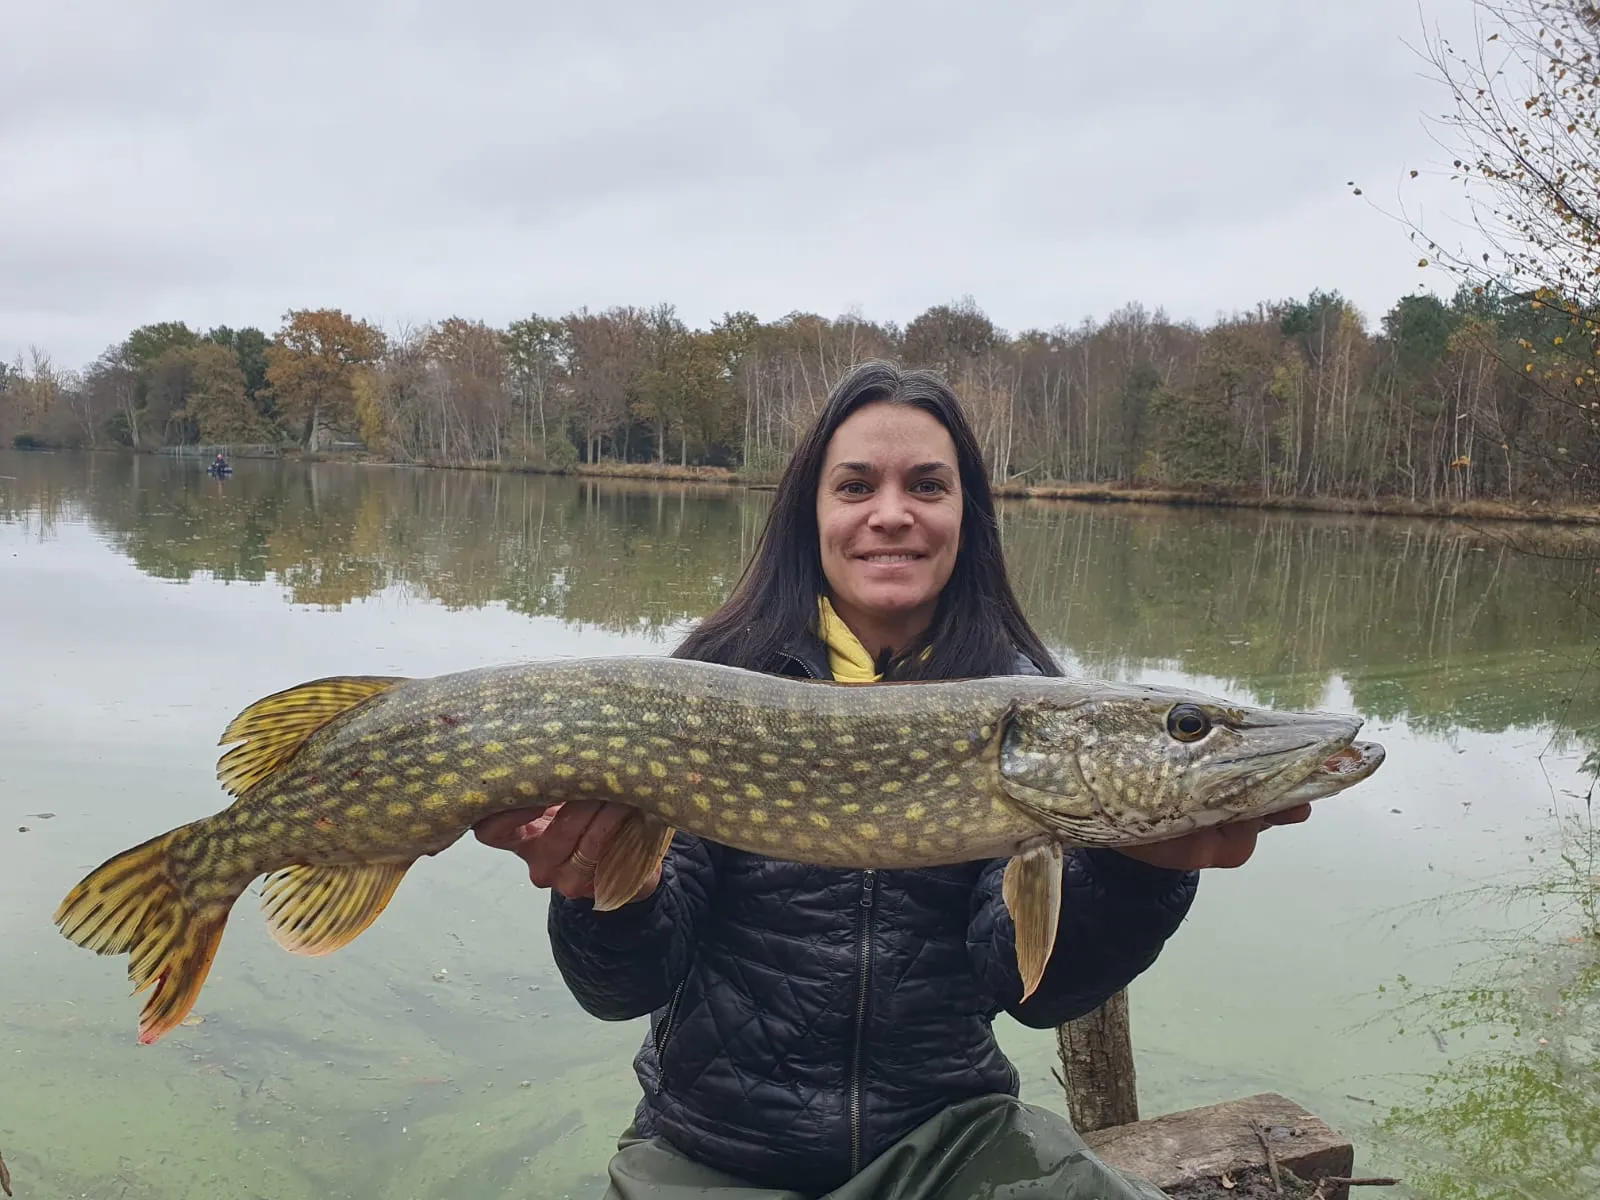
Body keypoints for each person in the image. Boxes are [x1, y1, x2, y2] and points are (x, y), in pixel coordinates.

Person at [475, 361, 1312, 1199]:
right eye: (855, 486)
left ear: (964, 515)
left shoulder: (1026, 699)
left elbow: (1030, 993)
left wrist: (1139, 872)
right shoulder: (715, 686)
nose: (890, 514)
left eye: (926, 486)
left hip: (950, 1142)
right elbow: (623, 987)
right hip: (708, 1147)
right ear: (813, 513)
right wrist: (597, 892)